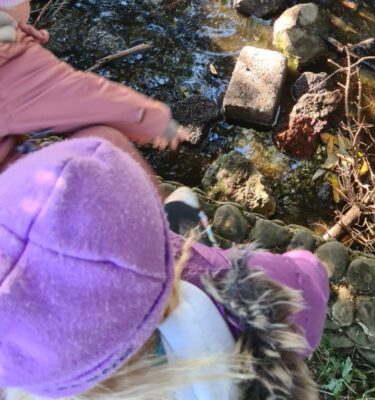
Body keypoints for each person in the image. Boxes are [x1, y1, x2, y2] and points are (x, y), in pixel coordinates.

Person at [0, 136, 329, 400]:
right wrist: (307, 262)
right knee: (183, 204)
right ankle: (179, 215)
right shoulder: (236, 283)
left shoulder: (21, 369)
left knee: (181, 205)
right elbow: (307, 281)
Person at [0, 0, 190, 174]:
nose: (31, 7)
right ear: (8, 5)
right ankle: (158, 210)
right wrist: (156, 120)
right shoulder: (12, 60)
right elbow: (84, 96)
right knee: (102, 141)